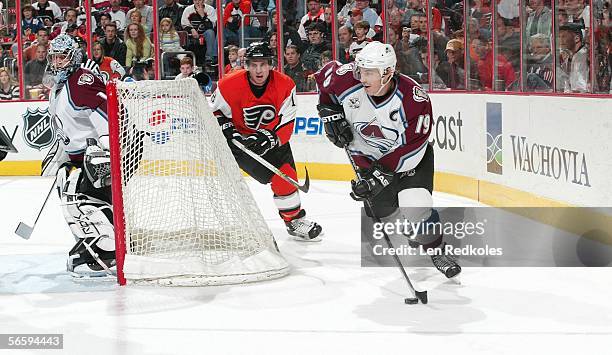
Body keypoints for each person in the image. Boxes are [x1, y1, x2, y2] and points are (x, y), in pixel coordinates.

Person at [313, 41, 461, 278]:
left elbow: (412, 148)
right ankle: (407, 227)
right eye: (361, 70)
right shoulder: (348, 79)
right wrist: (329, 113)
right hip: (368, 160)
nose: (362, 77)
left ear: (388, 72)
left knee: (415, 205)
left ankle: (437, 250)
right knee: (381, 214)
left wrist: (379, 176)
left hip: (410, 162)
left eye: (370, 72)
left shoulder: (413, 100)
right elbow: (325, 80)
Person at [210, 42, 323, 241]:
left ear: (270, 64)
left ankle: (294, 221)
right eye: (253, 65)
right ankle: (234, 222)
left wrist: (269, 138)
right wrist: (228, 130)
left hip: (272, 140)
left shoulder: (285, 84)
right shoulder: (228, 84)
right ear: (246, 65)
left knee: (286, 177)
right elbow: (214, 111)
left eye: (263, 64)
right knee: (241, 182)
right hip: (241, 144)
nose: (258, 70)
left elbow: (287, 121)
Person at [41, 34, 115, 275]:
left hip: (100, 156)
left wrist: (105, 150)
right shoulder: (59, 88)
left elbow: (109, 118)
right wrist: (62, 151)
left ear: (73, 57)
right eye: (54, 57)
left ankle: (109, 250)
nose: (56, 62)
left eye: (62, 57)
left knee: (81, 198)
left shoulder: (80, 81)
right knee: (67, 188)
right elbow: (69, 126)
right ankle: (92, 241)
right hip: (80, 157)